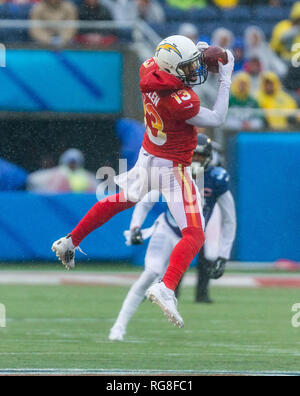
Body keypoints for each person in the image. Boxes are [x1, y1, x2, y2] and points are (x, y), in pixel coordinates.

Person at [52, 35, 234, 328]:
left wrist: (196, 52)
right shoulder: (181, 101)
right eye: (186, 68)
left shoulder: (148, 68)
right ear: (172, 70)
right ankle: (166, 286)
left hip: (148, 155)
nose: (192, 72)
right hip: (173, 167)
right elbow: (217, 118)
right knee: (195, 234)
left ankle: (70, 241)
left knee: (123, 200)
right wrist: (226, 77)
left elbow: (172, 64)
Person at [109, 134, 236, 341]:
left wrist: (223, 255)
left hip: (190, 238)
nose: (195, 161)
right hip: (167, 231)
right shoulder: (172, 171)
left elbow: (229, 220)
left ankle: (162, 292)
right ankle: (119, 327)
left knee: (166, 275)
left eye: (200, 157)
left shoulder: (217, 178)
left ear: (209, 158)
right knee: (150, 273)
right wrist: (135, 226)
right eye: (193, 156)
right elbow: (146, 200)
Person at [27, 148, 97, 193]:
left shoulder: (86, 175)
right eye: (70, 162)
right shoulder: (57, 173)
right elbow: (32, 179)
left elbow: (98, 190)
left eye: (74, 162)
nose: (72, 164)